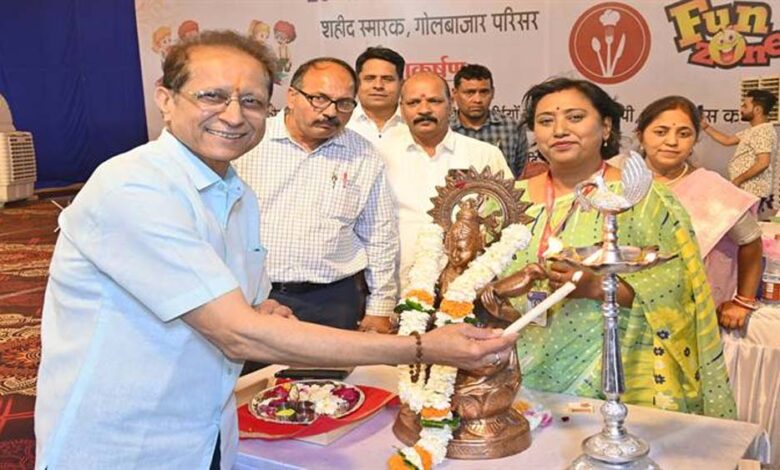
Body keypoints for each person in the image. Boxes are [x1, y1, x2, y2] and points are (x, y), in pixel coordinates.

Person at [34, 31, 519, 469]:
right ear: (166, 98)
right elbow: (237, 334)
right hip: (124, 440)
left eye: (250, 101)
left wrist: (261, 308)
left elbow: (240, 306)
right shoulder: (134, 186)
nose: (233, 115)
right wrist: (420, 348)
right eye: (212, 96)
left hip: (206, 428)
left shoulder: (237, 193)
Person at [480, 77, 736, 418]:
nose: (559, 130)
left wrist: (597, 287)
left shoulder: (640, 198)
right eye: (546, 121)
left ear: (606, 127)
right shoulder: (510, 198)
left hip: (614, 371)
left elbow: (676, 289)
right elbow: (478, 278)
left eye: (575, 117)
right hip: (517, 364)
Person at [233, 57, 398, 334]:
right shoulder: (248, 141)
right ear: (292, 96)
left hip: (332, 302)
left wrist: (380, 307)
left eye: (344, 103)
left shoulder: (363, 155)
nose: (331, 112)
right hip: (251, 296)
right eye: (319, 99)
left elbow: (380, 235)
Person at [637, 96, 763, 331]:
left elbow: (751, 241)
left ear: (695, 140)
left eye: (684, 134)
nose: (672, 141)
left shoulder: (713, 189)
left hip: (690, 317)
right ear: (640, 135)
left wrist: (743, 301)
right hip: (625, 311)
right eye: (660, 132)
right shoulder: (617, 183)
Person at [384, 71, 511, 291]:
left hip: (471, 289)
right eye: (413, 103)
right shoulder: (381, 156)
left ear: (451, 104)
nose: (424, 110)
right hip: (398, 287)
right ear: (401, 109)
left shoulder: (484, 155)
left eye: (434, 101)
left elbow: (509, 222)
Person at [702, 89, 779, 218]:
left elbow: (763, 162)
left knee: (746, 227)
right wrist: (705, 127)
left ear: (757, 110)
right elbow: (727, 140)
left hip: (751, 190)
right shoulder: (753, 130)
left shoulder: (763, 132)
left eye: (745, 106)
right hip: (745, 190)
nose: (741, 109)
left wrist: (738, 180)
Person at [450, 64, 529, 178]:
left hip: (501, 190)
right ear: (455, 94)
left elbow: (521, 175)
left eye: (484, 92)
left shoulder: (511, 127)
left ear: (492, 93)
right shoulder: (445, 129)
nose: (477, 100)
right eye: (469, 92)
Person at [347, 46, 409, 151]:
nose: (378, 86)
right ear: (356, 82)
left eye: (387, 79)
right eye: (370, 78)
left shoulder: (415, 122)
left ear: (401, 84)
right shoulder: (342, 122)